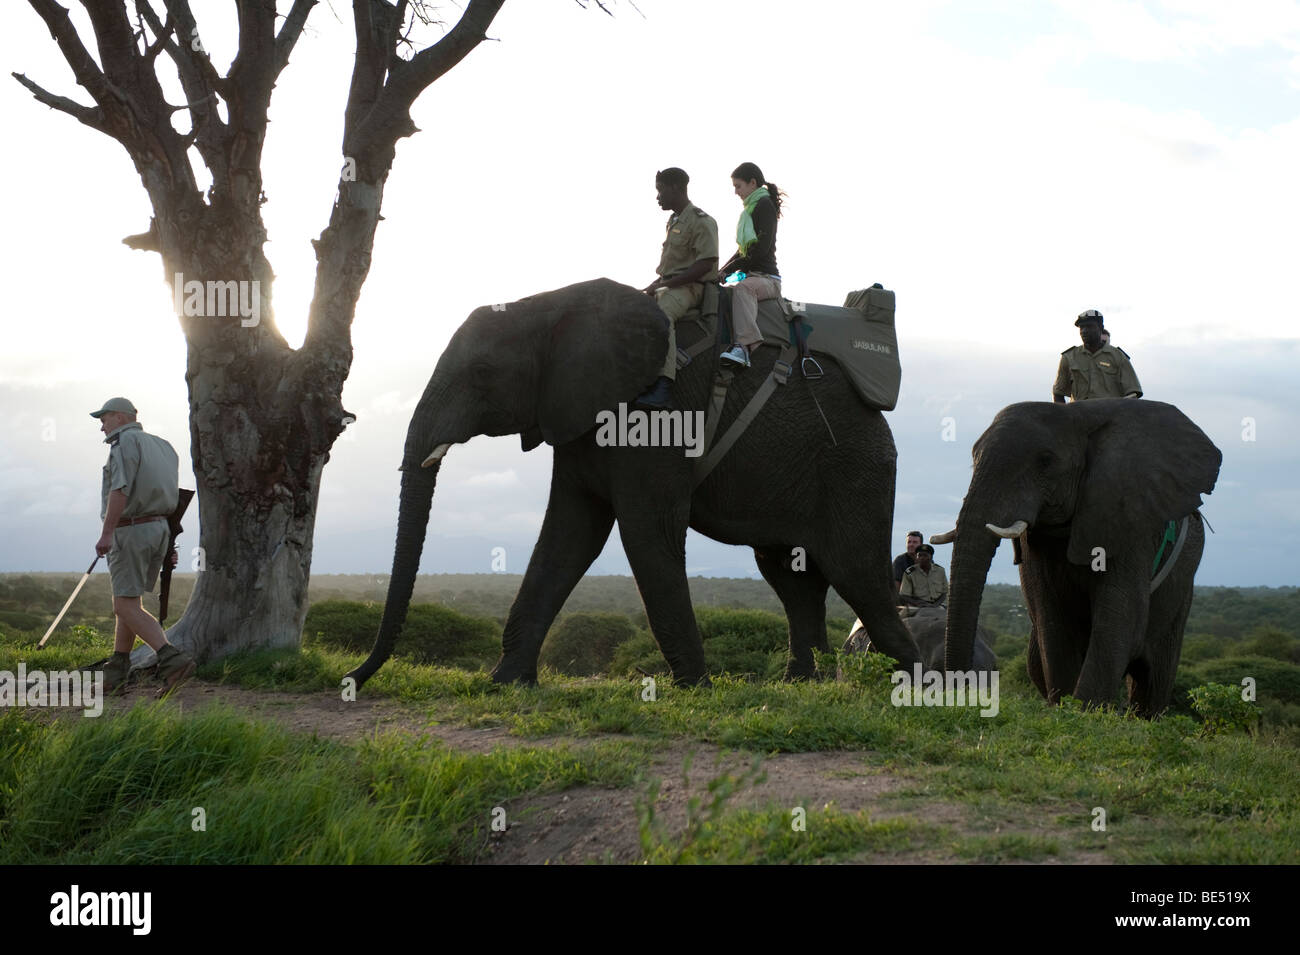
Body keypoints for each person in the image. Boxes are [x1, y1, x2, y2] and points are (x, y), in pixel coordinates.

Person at [90, 397, 195, 696]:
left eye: (105, 418)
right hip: (158, 528)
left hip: (131, 529)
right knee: (130, 602)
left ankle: (172, 660)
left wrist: (106, 533)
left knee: (122, 604)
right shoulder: (164, 446)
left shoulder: (123, 446)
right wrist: (167, 541)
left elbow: (120, 490)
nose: (101, 425)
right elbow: (171, 495)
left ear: (121, 418)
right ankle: (116, 671)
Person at [638, 167, 719, 408]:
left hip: (691, 287)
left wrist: (666, 285)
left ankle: (664, 385)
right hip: (670, 284)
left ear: (675, 188)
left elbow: (706, 264)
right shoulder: (673, 220)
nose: (658, 197)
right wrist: (652, 286)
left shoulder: (702, 220)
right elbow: (669, 267)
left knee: (662, 315)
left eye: (661, 190)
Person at [719, 161, 783, 368]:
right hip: (753, 275)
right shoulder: (751, 209)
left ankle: (745, 347)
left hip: (767, 280)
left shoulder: (764, 206)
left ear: (752, 183)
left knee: (743, 289)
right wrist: (721, 272)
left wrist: (728, 271)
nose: (736, 192)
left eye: (738, 186)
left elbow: (760, 250)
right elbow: (743, 252)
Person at [1053, 309, 1142, 402]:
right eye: (1081, 328)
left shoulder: (1118, 356)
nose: (1084, 331)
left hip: (1110, 414)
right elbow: (1058, 393)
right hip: (1079, 415)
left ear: (1100, 327)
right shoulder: (1069, 357)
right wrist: (1064, 416)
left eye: (1089, 326)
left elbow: (1133, 394)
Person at [899, 543, 948, 608]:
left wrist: (935, 605)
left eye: (925, 555)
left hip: (939, 605)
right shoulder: (910, 573)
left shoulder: (940, 571)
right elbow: (904, 595)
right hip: (918, 606)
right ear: (916, 557)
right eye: (919, 555)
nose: (922, 558)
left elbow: (944, 592)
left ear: (931, 557)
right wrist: (917, 603)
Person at [892, 530, 923, 594]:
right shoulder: (899, 561)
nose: (911, 544)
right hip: (904, 599)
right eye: (909, 542)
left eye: (915, 542)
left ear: (921, 545)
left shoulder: (926, 560)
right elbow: (896, 587)